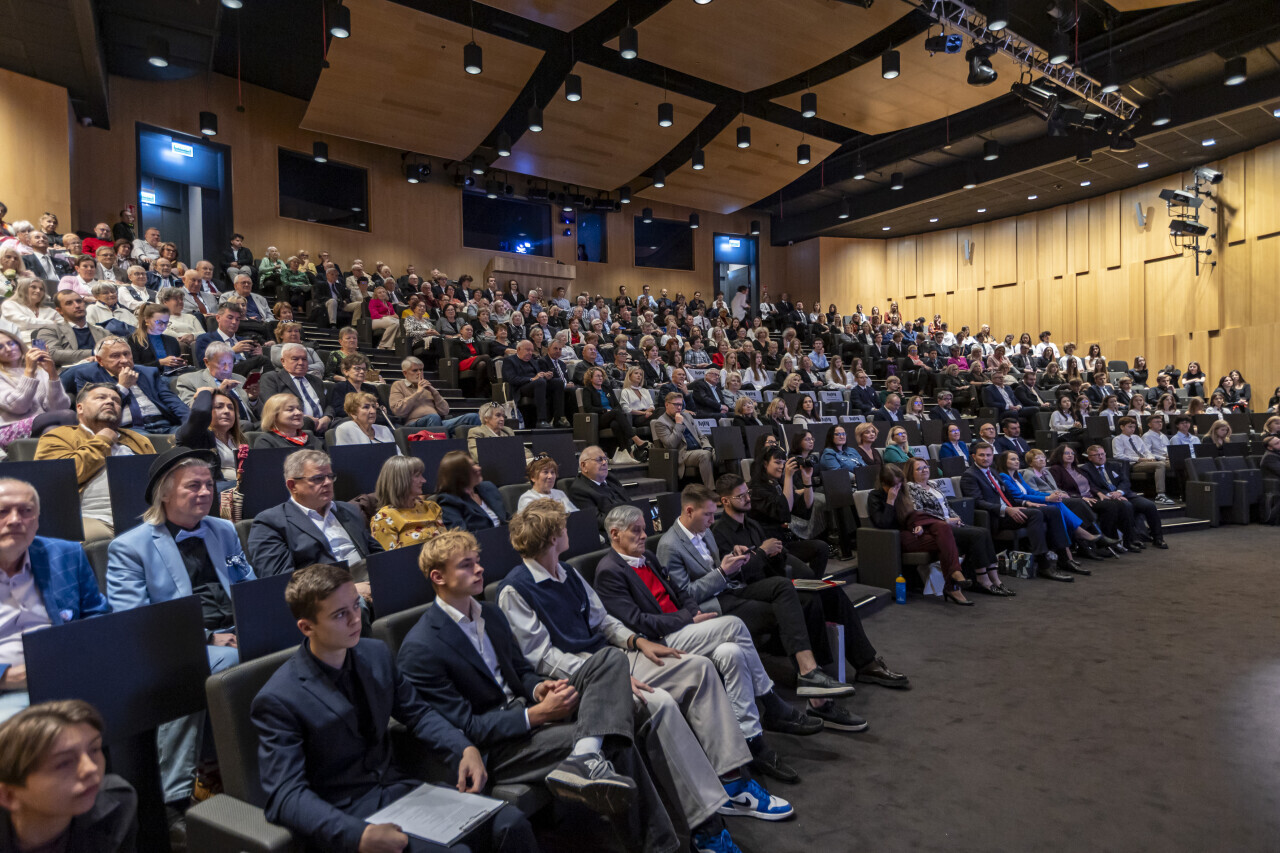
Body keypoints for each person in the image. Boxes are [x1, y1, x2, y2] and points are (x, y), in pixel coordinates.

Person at [497, 501, 787, 851]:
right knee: (659, 702)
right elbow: (543, 658)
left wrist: (636, 641)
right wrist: (607, 676)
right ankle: (704, 824)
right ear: (551, 537)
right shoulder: (515, 589)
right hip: (584, 677)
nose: (567, 530)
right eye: (562, 526)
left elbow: (604, 622)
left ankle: (733, 782)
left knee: (700, 669)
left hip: (614, 657)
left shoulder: (567, 572)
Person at [398, 531, 681, 853]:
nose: (479, 569)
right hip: (500, 746)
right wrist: (535, 715)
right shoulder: (421, 647)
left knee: (609, 659)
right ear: (438, 577)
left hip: (528, 712)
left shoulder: (489, 613)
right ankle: (661, 847)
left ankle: (585, 755)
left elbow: (520, 671)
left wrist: (539, 688)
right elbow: (467, 728)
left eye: (477, 561)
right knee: (614, 738)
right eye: (466, 565)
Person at [252, 563, 537, 853]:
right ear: (307, 627)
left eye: (356, 605)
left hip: (399, 792)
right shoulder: (279, 698)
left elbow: (419, 714)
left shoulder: (374, 654)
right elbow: (285, 796)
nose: (356, 619)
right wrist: (357, 835)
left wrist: (463, 748)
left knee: (510, 822)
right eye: (340, 614)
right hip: (344, 817)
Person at [594, 504, 816, 783]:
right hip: (658, 641)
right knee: (734, 624)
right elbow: (639, 622)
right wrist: (687, 617)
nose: (644, 535)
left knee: (732, 653)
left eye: (644, 529)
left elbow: (680, 592)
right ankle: (771, 701)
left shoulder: (647, 556)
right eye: (636, 531)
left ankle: (753, 740)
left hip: (683, 627)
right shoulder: (609, 571)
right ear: (615, 534)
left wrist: (692, 611)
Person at [107, 448, 255, 806]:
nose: (205, 492)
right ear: (164, 493)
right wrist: (209, 637)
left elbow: (245, 580)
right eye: (193, 486)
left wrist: (255, 622)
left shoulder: (223, 530)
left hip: (236, 627)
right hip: (179, 644)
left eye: (209, 485)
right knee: (227, 664)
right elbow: (136, 621)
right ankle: (185, 789)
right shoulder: (129, 548)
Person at [712, 471, 907, 690]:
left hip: (774, 583)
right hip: (749, 590)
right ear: (725, 501)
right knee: (808, 600)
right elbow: (737, 574)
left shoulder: (753, 525)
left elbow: (772, 564)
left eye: (747, 493)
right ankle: (817, 668)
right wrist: (764, 552)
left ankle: (866, 663)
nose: (748, 498)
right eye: (741, 496)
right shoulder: (720, 533)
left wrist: (777, 554)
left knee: (831, 592)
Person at [0, 479, 111, 723]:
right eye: (3, 512)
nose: (15, 520)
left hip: (68, 680)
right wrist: (6, 677)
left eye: (26, 511)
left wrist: (75, 659)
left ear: (37, 519)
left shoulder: (66, 554)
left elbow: (98, 617)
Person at [0, 700, 137, 852]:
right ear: (8, 795)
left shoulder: (117, 804)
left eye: (94, 749)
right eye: (64, 763)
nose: (90, 768)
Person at [34, 384, 155, 539]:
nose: (110, 402)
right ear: (80, 408)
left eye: (116, 401)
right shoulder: (59, 437)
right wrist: (103, 441)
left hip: (142, 517)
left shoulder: (138, 440)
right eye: (101, 398)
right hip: (90, 517)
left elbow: (156, 480)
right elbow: (58, 479)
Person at [246, 450, 382, 578]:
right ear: (292, 485)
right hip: (325, 591)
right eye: (318, 478)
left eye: (330, 476)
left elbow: (377, 555)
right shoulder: (270, 523)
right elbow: (281, 580)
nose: (328, 482)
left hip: (370, 581)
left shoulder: (348, 510)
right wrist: (349, 589)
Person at [960, 442, 1071, 581]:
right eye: (981, 455)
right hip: (995, 516)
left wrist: (1025, 503)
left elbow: (1007, 496)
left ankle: (1064, 558)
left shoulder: (992, 471)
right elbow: (977, 502)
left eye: (988, 455)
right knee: (1036, 514)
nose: (985, 458)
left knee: (1052, 510)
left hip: (1010, 509)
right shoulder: (970, 476)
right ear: (973, 457)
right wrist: (1006, 509)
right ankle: (1044, 565)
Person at [866, 464, 974, 605]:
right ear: (883, 484)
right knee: (946, 541)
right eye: (893, 486)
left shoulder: (903, 492)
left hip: (911, 532)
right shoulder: (875, 496)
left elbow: (911, 516)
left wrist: (918, 525)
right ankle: (953, 581)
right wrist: (890, 501)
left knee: (943, 528)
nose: (897, 489)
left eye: (899, 485)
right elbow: (883, 524)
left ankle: (953, 580)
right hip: (895, 537)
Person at [58, 337, 189, 433]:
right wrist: (122, 387)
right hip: (127, 430)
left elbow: (173, 402)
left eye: (126, 354)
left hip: (165, 425)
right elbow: (94, 412)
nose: (124, 360)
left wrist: (191, 424)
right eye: (115, 356)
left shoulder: (148, 372)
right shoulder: (88, 375)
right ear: (100, 360)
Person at [1079, 444, 1167, 550]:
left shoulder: (1115, 465)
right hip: (1106, 497)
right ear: (1089, 457)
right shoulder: (1085, 469)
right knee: (1126, 505)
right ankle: (1130, 540)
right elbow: (1091, 486)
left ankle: (1158, 538)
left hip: (1124, 494)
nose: (1101, 457)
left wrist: (1119, 492)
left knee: (1150, 505)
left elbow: (1125, 481)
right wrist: (1111, 495)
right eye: (1097, 455)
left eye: (1102, 454)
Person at [0, 330, 73, 447]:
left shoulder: (40, 369)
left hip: (42, 423)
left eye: (11, 343)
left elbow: (58, 408)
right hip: (9, 429)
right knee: (68, 415)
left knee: (52, 431)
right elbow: (18, 407)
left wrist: (52, 373)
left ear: (18, 344)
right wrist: (29, 371)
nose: (8, 349)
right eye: (0, 347)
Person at [369, 456, 444, 551]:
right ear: (400, 480)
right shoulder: (384, 518)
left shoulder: (431, 507)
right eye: (417, 476)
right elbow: (392, 559)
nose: (424, 480)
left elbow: (448, 543)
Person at [257, 344, 330, 433]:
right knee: (305, 422)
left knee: (343, 423)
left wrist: (327, 418)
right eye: (295, 359)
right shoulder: (271, 378)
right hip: (293, 423)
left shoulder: (316, 380)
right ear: (283, 361)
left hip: (323, 423)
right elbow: (272, 407)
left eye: (304, 359)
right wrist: (303, 417)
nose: (301, 363)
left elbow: (328, 404)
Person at [581, 366, 647, 464]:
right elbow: (588, 408)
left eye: (601, 376)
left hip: (613, 417)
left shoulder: (607, 388)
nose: (600, 378)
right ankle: (635, 439)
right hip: (599, 418)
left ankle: (628, 454)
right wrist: (605, 410)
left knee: (615, 424)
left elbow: (617, 405)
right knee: (616, 412)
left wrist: (612, 412)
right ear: (590, 378)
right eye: (597, 376)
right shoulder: (588, 390)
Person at [650, 392, 715, 487]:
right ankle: (711, 490)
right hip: (683, 454)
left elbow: (701, 436)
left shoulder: (687, 416)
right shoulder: (661, 423)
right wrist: (678, 424)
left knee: (722, 453)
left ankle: (728, 488)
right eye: (676, 404)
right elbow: (670, 445)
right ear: (667, 404)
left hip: (700, 449)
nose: (679, 407)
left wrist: (707, 447)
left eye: (681, 404)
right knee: (704, 455)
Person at [435, 450, 508, 532]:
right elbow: (460, 535)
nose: (478, 468)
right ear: (458, 474)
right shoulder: (449, 501)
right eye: (471, 467)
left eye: (475, 464)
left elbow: (506, 519)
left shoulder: (488, 487)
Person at [193, 302, 269, 376]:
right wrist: (232, 351)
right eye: (230, 318)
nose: (234, 322)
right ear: (218, 318)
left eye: (237, 319)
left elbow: (253, 363)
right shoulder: (205, 339)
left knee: (263, 361)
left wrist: (258, 354)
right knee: (262, 360)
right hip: (223, 373)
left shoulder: (243, 340)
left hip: (247, 375)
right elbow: (205, 365)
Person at [35, 290, 109, 366]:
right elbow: (52, 354)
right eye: (69, 303)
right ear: (60, 310)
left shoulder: (103, 333)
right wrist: (96, 353)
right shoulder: (48, 330)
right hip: (69, 371)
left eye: (79, 301)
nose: (77, 305)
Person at [504, 340, 567, 429]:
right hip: (520, 387)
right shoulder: (510, 360)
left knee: (558, 382)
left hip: (537, 384)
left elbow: (538, 375)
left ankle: (558, 419)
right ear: (518, 349)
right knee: (540, 382)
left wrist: (545, 375)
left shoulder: (533, 361)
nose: (530, 353)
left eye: (531, 350)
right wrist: (532, 379)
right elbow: (512, 379)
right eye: (527, 350)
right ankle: (541, 420)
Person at [1111, 416, 1174, 503]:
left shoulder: (1136, 437)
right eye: (1130, 427)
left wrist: (1150, 458)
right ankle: (1160, 495)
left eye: (1134, 427)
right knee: (1160, 464)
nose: (1132, 429)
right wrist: (1139, 459)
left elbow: (1146, 451)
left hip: (1146, 462)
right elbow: (1118, 455)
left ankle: (1178, 491)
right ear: (1122, 427)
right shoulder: (1117, 439)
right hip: (1134, 464)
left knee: (1173, 463)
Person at [566, 445, 630, 527]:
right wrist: (629, 520)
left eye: (605, 459)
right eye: (599, 460)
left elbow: (629, 502)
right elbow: (598, 521)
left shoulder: (611, 478)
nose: (604, 463)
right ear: (584, 466)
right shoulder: (579, 490)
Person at [333, 391, 399, 449]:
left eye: (373, 406)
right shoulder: (345, 429)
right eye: (366, 407)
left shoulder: (384, 430)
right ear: (353, 413)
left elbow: (398, 455)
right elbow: (345, 457)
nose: (373, 411)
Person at [1, 278, 60, 343]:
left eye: (41, 289)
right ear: (23, 289)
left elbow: (63, 325)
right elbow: (24, 323)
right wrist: (52, 323)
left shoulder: (49, 310)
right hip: (18, 344)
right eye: (33, 287)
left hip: (50, 343)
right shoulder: (9, 304)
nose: (38, 291)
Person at [256, 393, 323, 450]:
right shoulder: (265, 441)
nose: (298, 412)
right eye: (290, 409)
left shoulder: (310, 437)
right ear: (274, 415)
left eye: (299, 409)